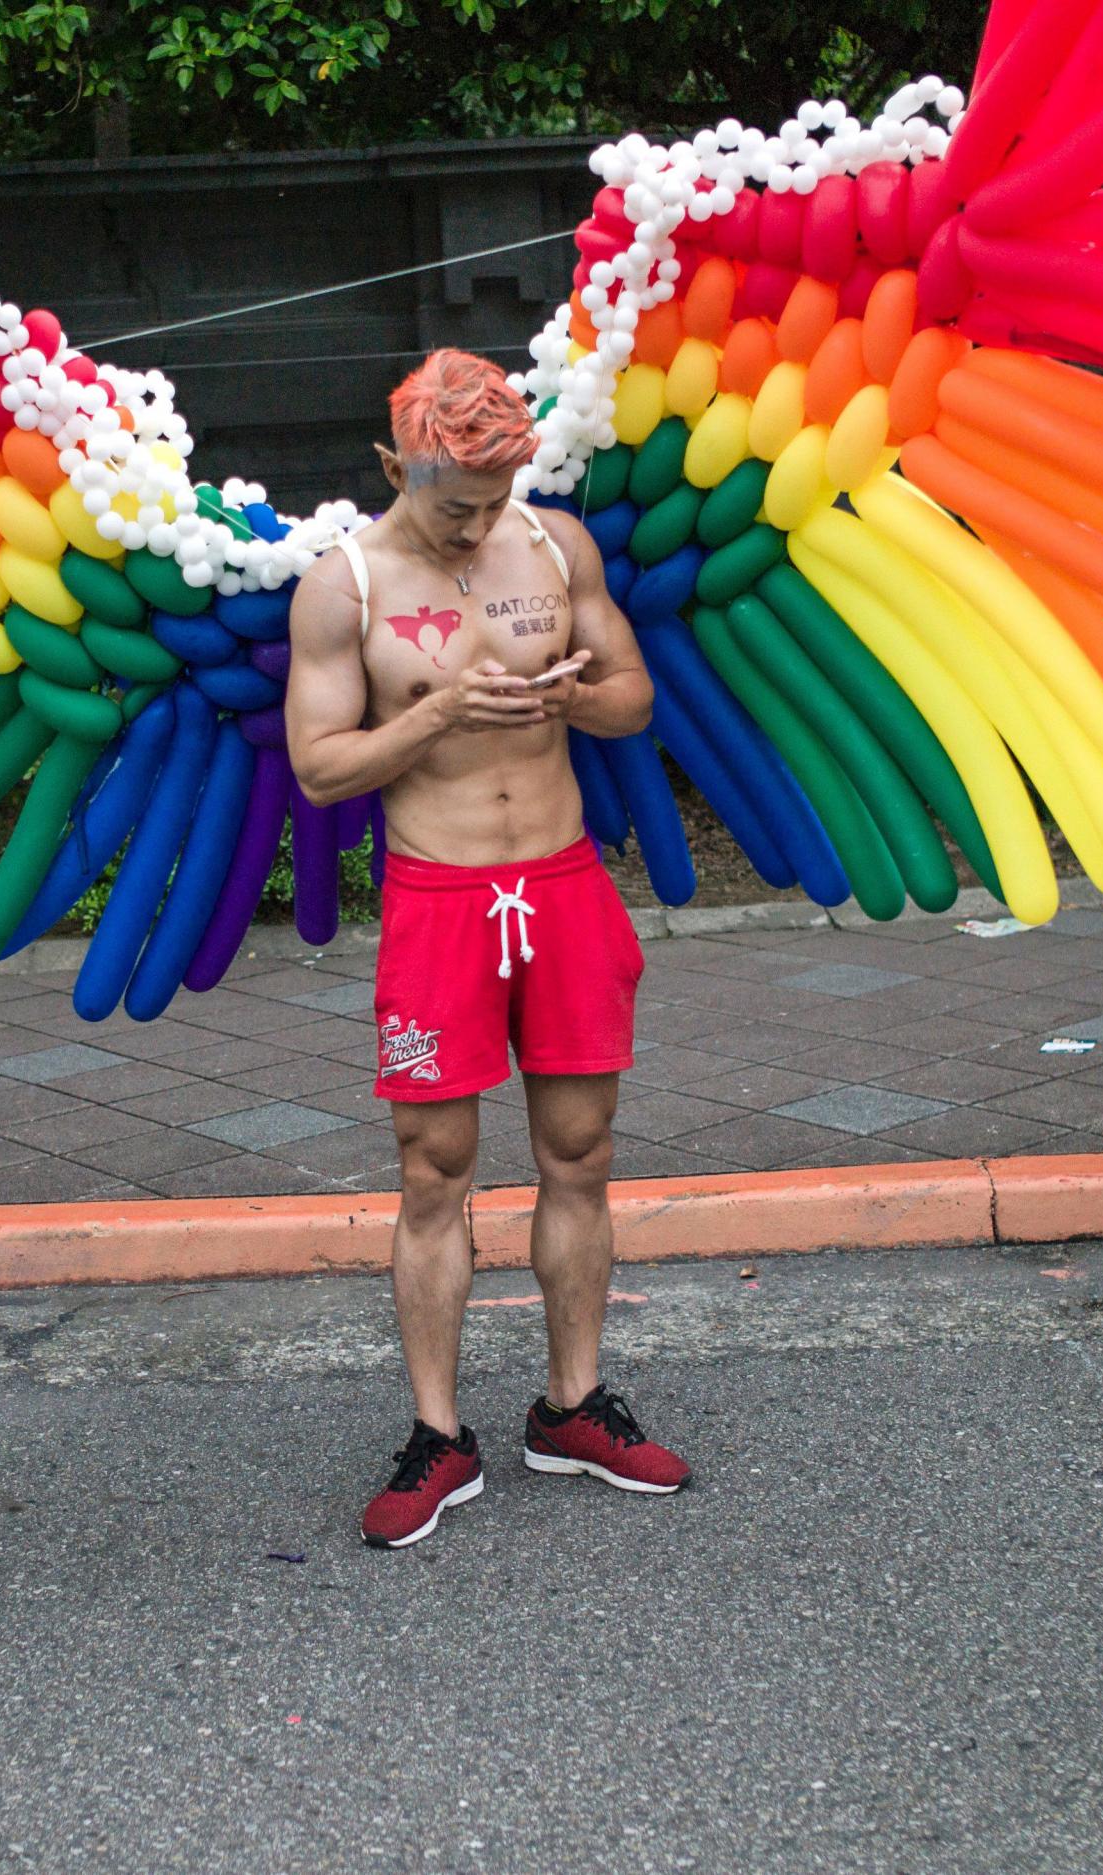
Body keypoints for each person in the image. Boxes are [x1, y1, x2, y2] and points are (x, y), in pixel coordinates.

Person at [286, 349, 689, 1550]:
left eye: (495, 498)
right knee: (433, 1171)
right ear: (393, 466)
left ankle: (570, 1407)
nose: (477, 524)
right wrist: (439, 713)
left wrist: (565, 697)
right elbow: (318, 769)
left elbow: (634, 699)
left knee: (580, 1149)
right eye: (454, 503)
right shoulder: (342, 585)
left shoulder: (556, 546)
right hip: (437, 899)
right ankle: (436, 1435)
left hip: (560, 886)